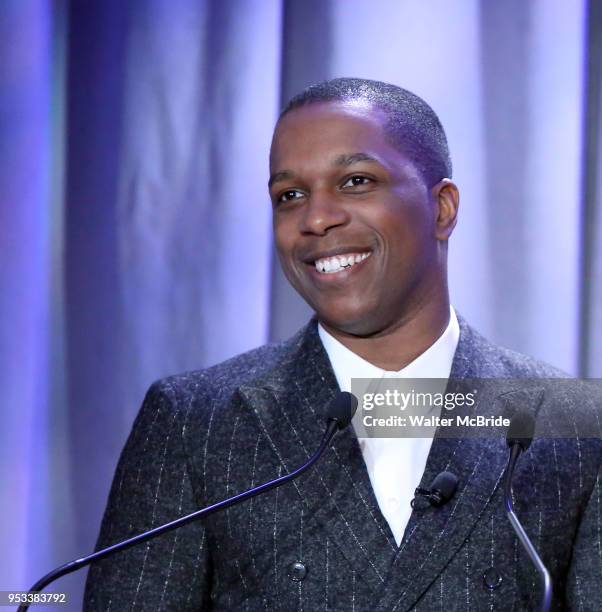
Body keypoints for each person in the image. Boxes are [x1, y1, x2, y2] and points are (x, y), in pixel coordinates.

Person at [84, 78, 602, 611]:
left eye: (355, 181)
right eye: (290, 196)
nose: (315, 218)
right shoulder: (197, 421)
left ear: (443, 208)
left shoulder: (573, 424)